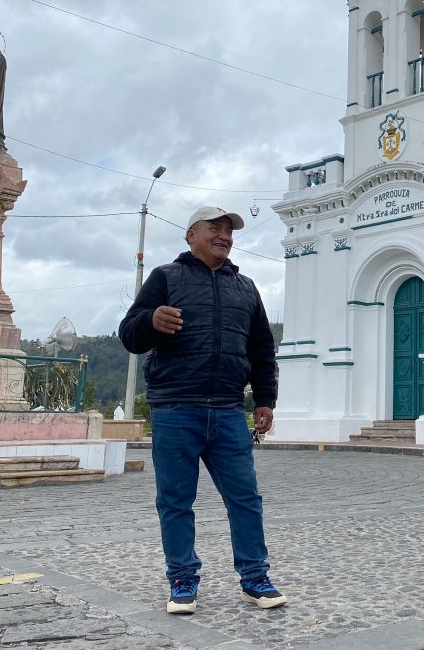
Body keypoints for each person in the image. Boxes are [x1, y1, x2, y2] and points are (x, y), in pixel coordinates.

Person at [119, 206, 284, 615]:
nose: (225, 236)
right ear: (191, 234)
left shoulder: (246, 288)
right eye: (216, 228)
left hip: (229, 410)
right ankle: (182, 579)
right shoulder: (165, 277)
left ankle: (254, 577)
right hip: (175, 407)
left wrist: (265, 399)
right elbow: (129, 333)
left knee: (246, 498)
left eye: (229, 231)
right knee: (175, 500)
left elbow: (262, 349)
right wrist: (151, 319)